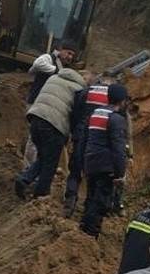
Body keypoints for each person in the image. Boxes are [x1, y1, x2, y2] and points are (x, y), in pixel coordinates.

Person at [15, 64, 85, 199]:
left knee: (43, 156)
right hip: (53, 124)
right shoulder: (79, 89)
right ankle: (41, 194)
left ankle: (24, 179)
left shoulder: (54, 77)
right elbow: (76, 115)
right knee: (51, 162)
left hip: (35, 117)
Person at [79, 83, 131, 238]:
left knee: (91, 196)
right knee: (101, 201)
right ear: (122, 101)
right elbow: (118, 148)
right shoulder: (116, 119)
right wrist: (119, 174)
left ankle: (83, 227)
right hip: (105, 165)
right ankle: (90, 234)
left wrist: (83, 161)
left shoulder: (95, 114)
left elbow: (84, 139)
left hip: (90, 161)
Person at [23, 41, 78, 166]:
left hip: (47, 107)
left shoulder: (65, 69)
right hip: (36, 103)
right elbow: (37, 64)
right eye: (68, 53)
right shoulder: (48, 58)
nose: (70, 57)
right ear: (60, 50)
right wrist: (57, 72)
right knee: (34, 137)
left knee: (38, 138)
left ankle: (32, 166)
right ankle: (28, 167)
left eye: (72, 55)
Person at [63, 71, 109, 217]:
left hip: (81, 134)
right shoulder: (113, 98)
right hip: (99, 141)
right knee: (94, 175)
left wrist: (74, 131)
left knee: (75, 170)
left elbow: (75, 113)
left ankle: (70, 199)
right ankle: (89, 207)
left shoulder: (86, 92)